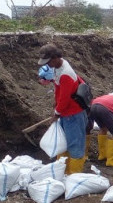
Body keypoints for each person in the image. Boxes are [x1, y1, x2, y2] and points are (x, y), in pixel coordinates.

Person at [38, 43, 88, 175]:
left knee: (75, 145)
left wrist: (57, 112)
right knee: (64, 144)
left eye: (48, 62)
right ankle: (63, 172)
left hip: (73, 114)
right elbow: (61, 89)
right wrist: (57, 108)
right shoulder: (60, 66)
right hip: (67, 113)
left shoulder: (65, 73)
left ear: (55, 58)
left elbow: (65, 98)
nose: (47, 65)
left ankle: (74, 175)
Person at [88, 93, 113, 167]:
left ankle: (102, 155)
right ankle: (112, 160)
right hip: (106, 107)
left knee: (103, 128)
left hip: (93, 105)